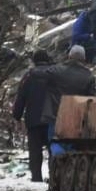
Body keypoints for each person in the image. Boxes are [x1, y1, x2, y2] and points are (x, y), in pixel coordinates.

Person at [12, 50, 56, 183]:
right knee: (53, 150)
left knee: (35, 152)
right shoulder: (55, 75)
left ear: (34, 61)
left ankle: (36, 178)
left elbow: (21, 98)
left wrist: (17, 117)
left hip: (33, 120)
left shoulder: (28, 77)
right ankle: (54, 178)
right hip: (52, 119)